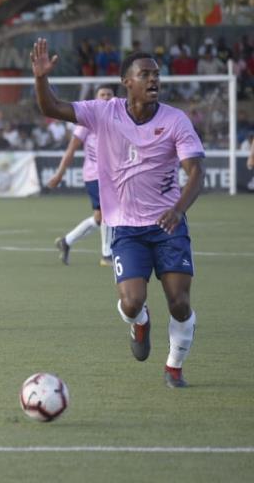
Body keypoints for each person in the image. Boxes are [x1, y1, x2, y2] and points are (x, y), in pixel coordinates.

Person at [31, 39, 205, 388]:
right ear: (128, 82)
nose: (154, 80)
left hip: (168, 226)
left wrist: (177, 209)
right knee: (130, 302)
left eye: (157, 75)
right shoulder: (102, 111)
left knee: (180, 303)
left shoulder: (175, 120)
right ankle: (139, 322)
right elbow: (51, 107)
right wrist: (40, 79)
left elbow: (196, 172)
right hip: (125, 227)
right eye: (145, 75)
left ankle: (174, 366)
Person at [47, 84, 116, 266]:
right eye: (102, 95)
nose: (106, 98)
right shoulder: (88, 120)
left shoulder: (119, 120)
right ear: (96, 98)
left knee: (100, 218)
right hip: (95, 175)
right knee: (106, 214)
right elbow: (71, 149)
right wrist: (59, 173)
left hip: (113, 175)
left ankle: (66, 242)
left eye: (109, 94)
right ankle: (107, 255)